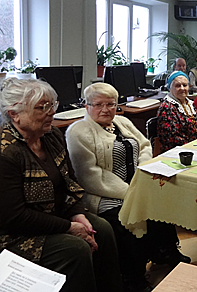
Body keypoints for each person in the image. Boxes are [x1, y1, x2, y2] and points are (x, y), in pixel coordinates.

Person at [0, 78, 122, 292]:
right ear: (14, 114)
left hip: (55, 214)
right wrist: (69, 227)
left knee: (101, 228)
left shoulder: (52, 135)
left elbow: (70, 182)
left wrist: (78, 215)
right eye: (42, 107)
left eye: (52, 105)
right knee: (75, 249)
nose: (51, 112)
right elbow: (14, 217)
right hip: (15, 233)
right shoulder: (6, 153)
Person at [66, 83, 189, 292]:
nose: (105, 110)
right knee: (126, 220)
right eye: (98, 104)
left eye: (111, 104)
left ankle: (164, 251)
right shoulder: (78, 132)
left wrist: (141, 176)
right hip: (102, 194)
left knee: (163, 202)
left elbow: (144, 145)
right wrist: (133, 193)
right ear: (87, 107)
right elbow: (91, 177)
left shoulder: (122, 121)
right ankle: (132, 277)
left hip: (137, 185)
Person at [157, 71, 197, 152]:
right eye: (178, 86)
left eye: (185, 85)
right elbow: (172, 138)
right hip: (179, 151)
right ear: (170, 88)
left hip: (196, 146)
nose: (182, 88)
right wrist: (195, 146)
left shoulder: (190, 104)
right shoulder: (167, 107)